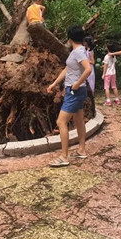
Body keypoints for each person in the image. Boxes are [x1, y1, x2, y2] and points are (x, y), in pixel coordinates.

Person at [47, 25, 91, 167]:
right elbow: (67, 69)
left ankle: (64, 157)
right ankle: (82, 149)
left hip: (75, 91)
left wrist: (77, 83)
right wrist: (55, 83)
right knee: (78, 119)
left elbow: (88, 69)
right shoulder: (77, 51)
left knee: (61, 122)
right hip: (76, 90)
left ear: (70, 38)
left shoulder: (78, 52)